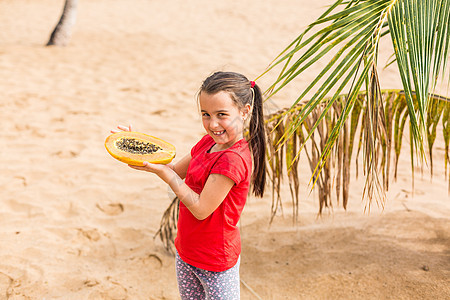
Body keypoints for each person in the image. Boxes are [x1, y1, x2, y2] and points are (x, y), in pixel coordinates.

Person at [111, 71, 266, 299]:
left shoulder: (233, 159)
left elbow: (202, 209)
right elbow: (173, 170)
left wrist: (166, 175)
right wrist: (136, 147)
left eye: (222, 114)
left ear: (245, 111)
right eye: (206, 114)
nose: (213, 124)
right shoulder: (208, 143)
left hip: (216, 262)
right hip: (186, 252)